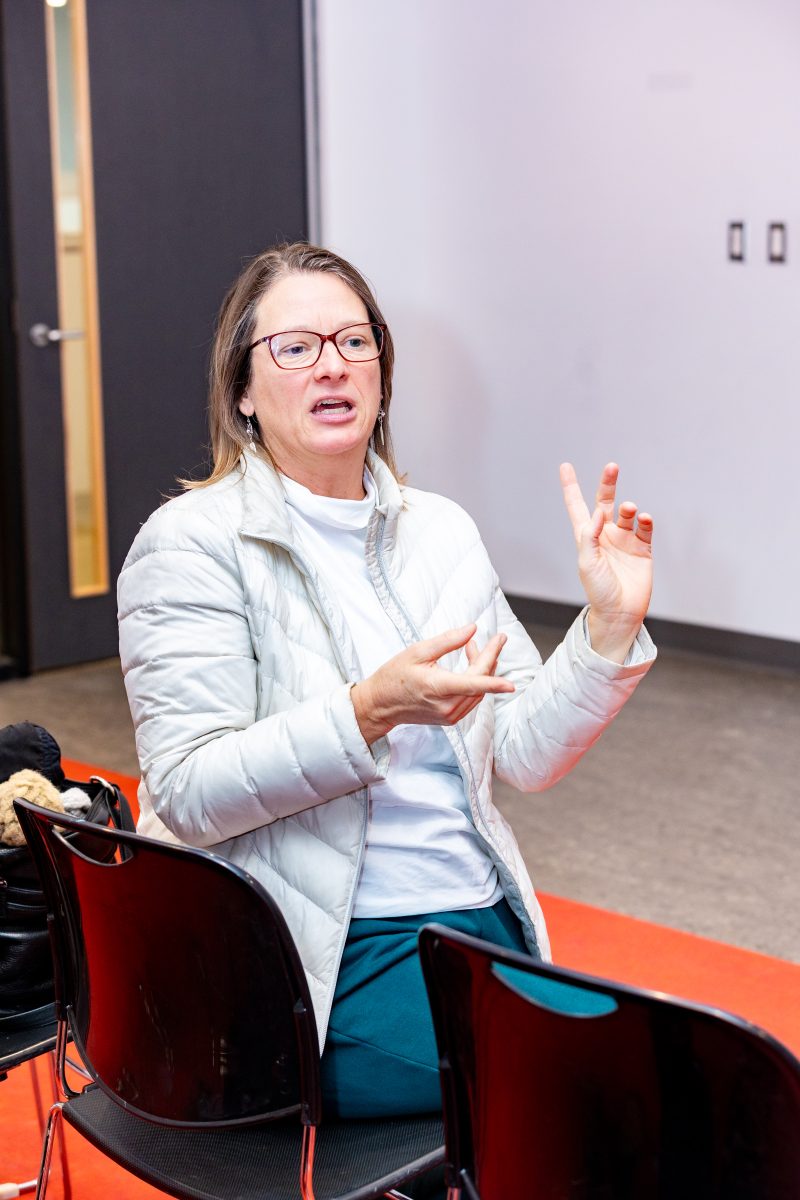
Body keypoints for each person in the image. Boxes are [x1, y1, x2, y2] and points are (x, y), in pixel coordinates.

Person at [118, 242, 656, 1121]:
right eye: (295, 347)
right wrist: (367, 712)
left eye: (354, 341)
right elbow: (187, 792)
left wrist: (608, 627)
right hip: (322, 957)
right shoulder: (190, 544)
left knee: (660, 1073)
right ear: (242, 390)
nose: (332, 365)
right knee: (597, 1094)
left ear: (381, 371)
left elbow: (524, 753)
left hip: (477, 915)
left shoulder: (440, 531)